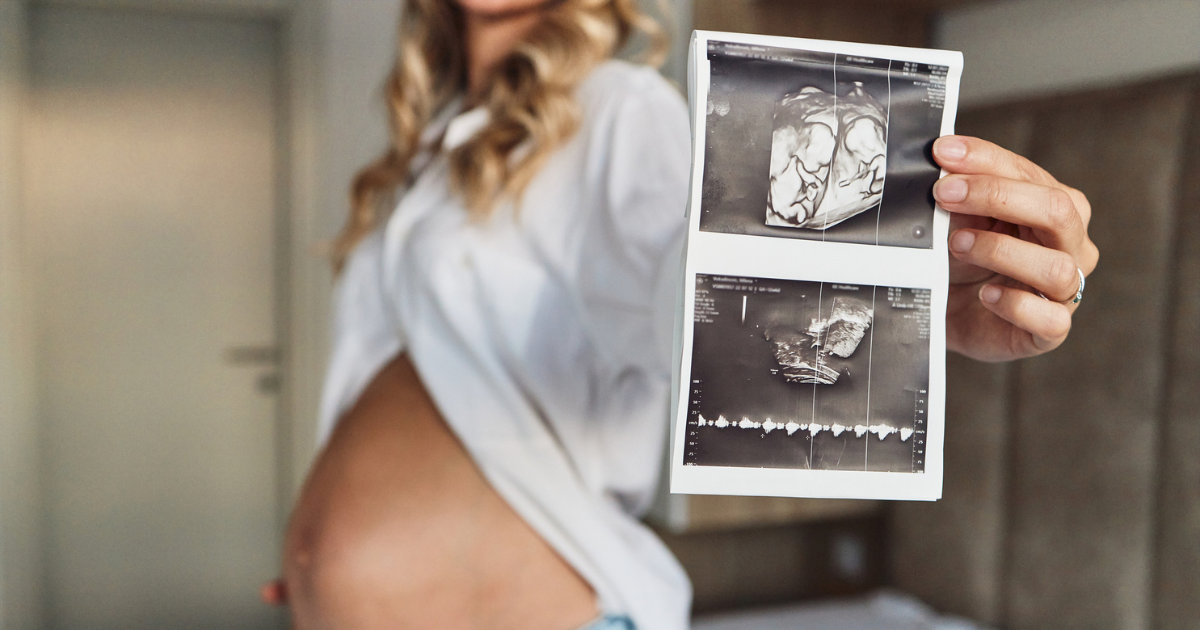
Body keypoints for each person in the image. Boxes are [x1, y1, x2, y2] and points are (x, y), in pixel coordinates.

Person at [260, 1, 1100, 628]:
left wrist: (886, 286)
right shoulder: (432, 146)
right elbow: (388, 375)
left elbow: (683, 279)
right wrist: (319, 562)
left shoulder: (619, 110)